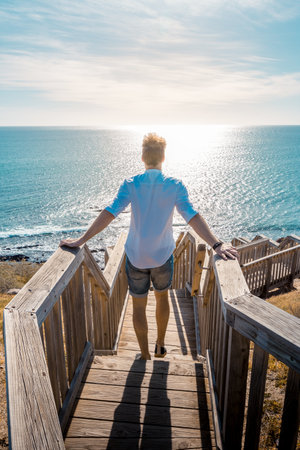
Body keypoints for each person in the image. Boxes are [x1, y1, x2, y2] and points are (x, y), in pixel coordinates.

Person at [60, 133, 238, 360]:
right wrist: (217, 244)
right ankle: (161, 345)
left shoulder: (131, 184)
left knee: (138, 307)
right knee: (162, 299)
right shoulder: (175, 185)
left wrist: (80, 241)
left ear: (143, 157)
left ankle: (144, 354)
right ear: (163, 157)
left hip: (135, 256)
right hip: (163, 256)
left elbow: (109, 213)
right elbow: (191, 216)